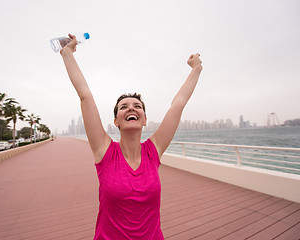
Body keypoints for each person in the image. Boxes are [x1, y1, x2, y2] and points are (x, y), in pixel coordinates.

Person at [60, 34, 202, 239]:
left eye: (137, 106)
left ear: (144, 119)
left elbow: (178, 104)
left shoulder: (153, 152)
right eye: (123, 107)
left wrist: (196, 68)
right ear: (116, 121)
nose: (131, 109)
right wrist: (67, 53)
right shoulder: (105, 151)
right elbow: (85, 95)